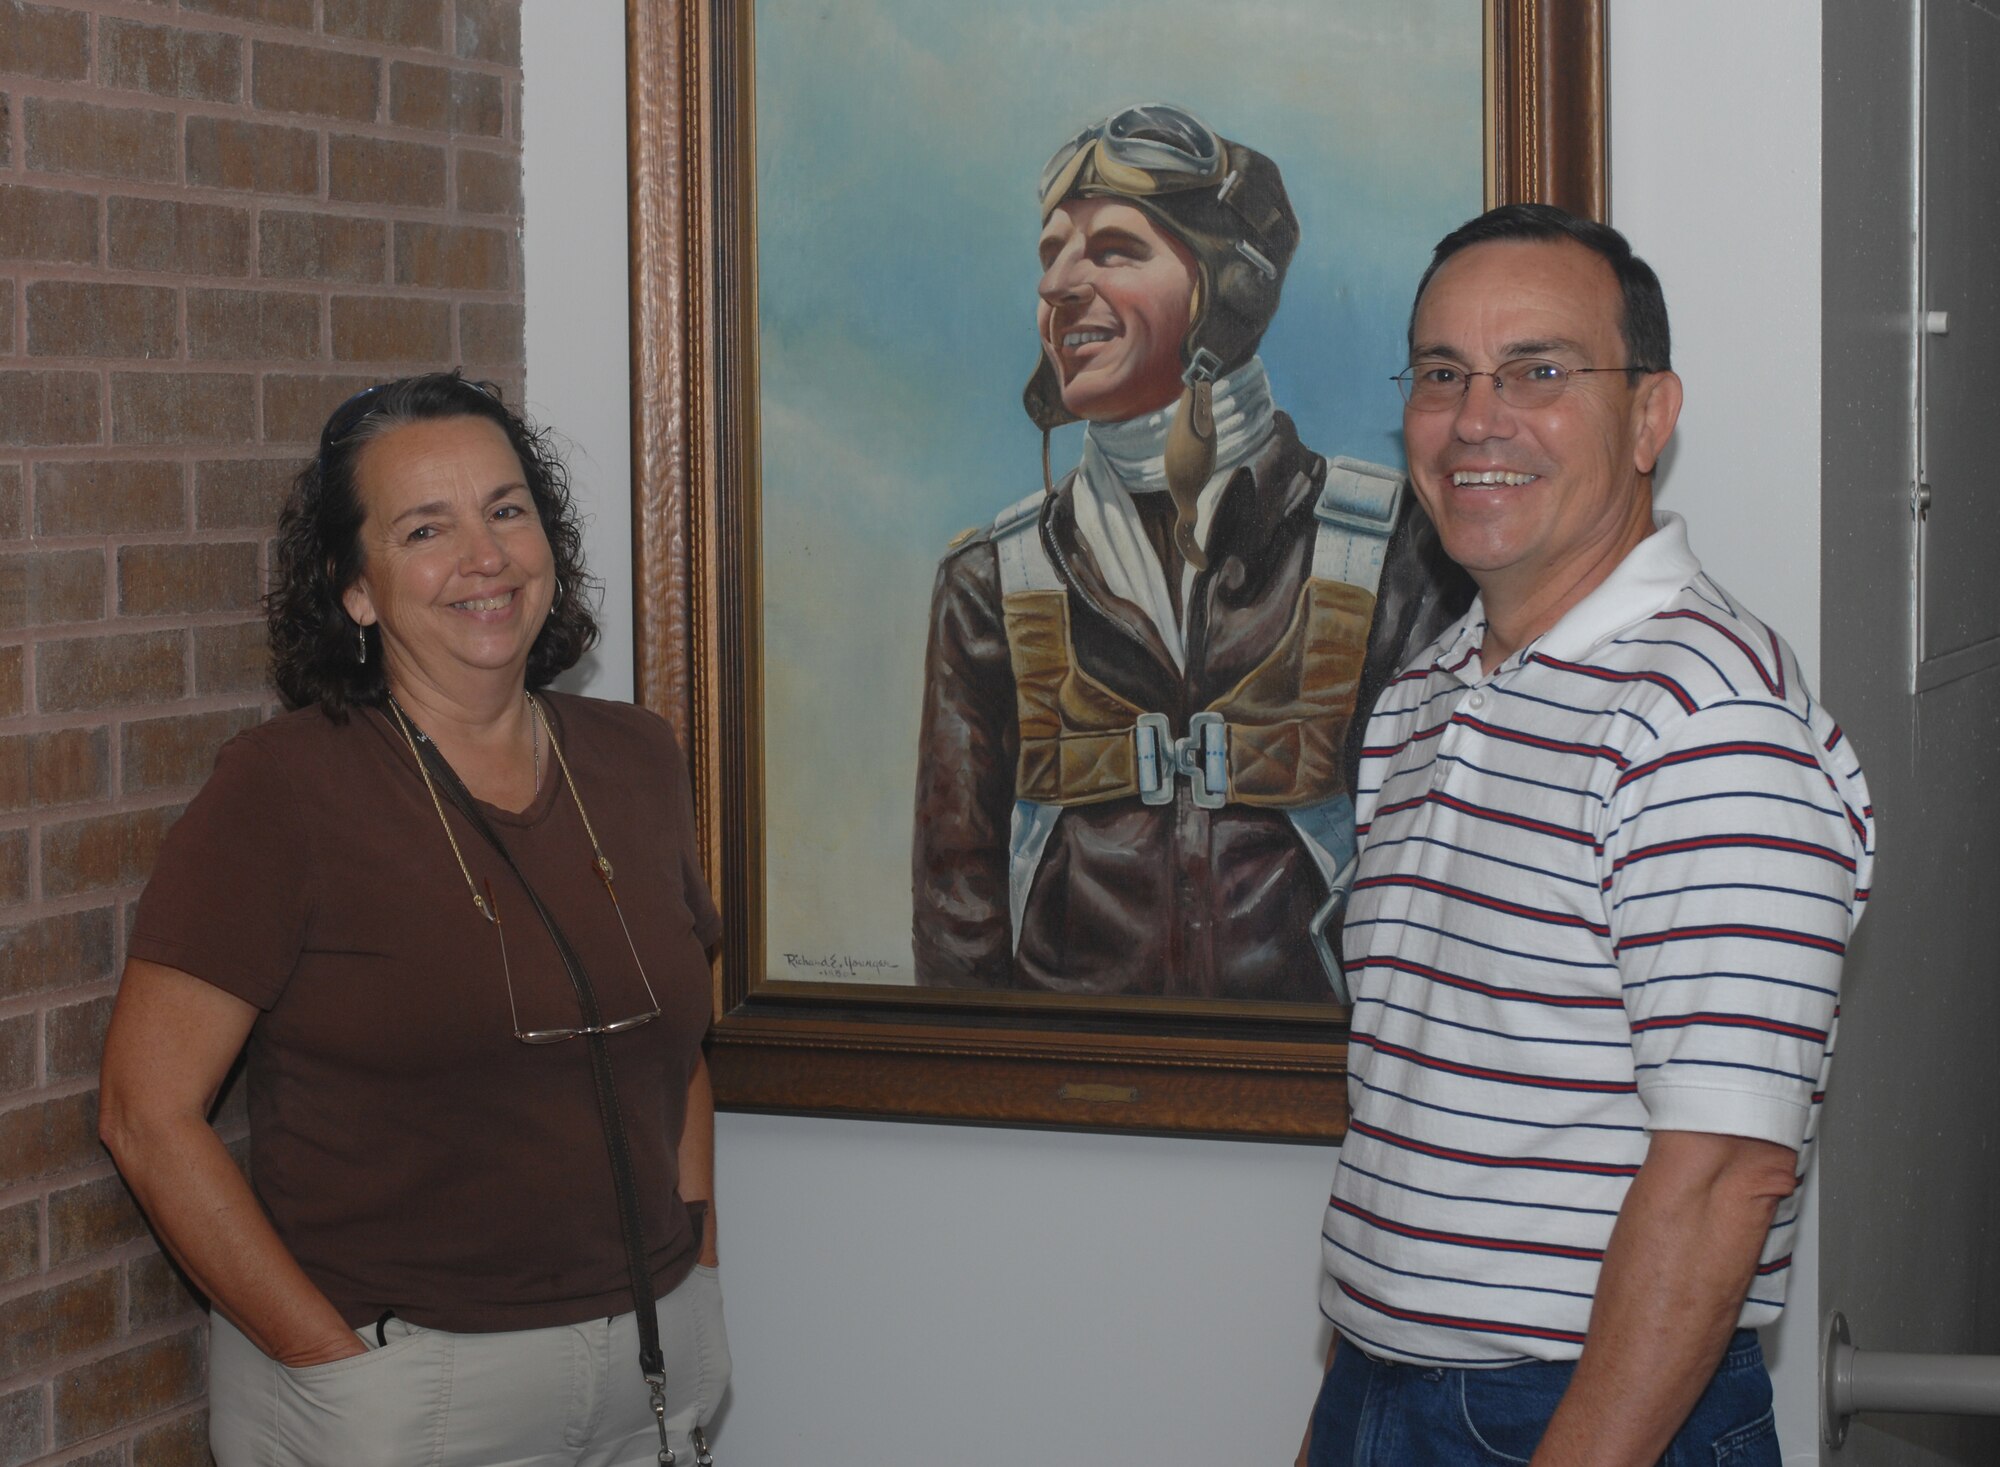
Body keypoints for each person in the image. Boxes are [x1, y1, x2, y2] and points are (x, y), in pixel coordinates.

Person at [1299, 205, 1875, 1465]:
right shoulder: (1421, 697)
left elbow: (1722, 1173)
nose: (1475, 418)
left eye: (1538, 373)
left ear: (1648, 418)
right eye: (1441, 373)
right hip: (1386, 1392)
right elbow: (1412, 1119)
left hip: (1582, 1415)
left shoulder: (1705, 720)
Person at [98, 373, 729, 1465]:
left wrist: (699, 1264)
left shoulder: (637, 757)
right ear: (355, 588)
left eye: (506, 509)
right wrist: (335, 1369)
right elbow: (146, 1114)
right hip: (404, 1389)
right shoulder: (283, 790)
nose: (483, 557)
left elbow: (677, 1052)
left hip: (652, 1370)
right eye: (425, 528)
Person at [912, 103, 1472, 999]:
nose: (1059, 284)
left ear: (1229, 291)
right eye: (1050, 252)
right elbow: (956, 917)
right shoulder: (989, 581)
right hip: (1063, 1102)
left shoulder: (1395, 547)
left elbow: (1451, 891)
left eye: (1114, 249)